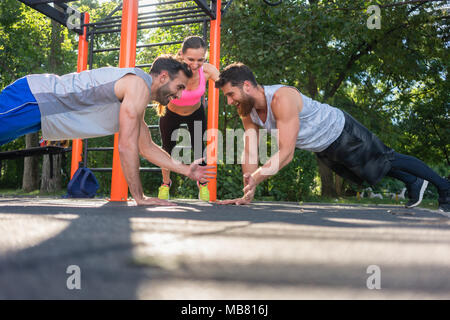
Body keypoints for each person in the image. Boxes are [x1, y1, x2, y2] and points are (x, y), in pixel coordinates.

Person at [214, 63, 449, 213]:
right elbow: (250, 150)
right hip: (324, 147)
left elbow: (286, 152)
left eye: (231, 94)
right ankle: (414, 182)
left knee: (389, 158)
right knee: (373, 170)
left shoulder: (281, 98)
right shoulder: (247, 110)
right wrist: (249, 190)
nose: (230, 101)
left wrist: (256, 176)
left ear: (246, 85)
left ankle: (445, 188)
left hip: (341, 130)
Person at [0, 55, 215, 206]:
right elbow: (126, 145)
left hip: (42, 114)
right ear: (164, 77)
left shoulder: (137, 96)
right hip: (35, 97)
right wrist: (139, 196)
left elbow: (147, 147)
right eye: (179, 87)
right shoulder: (138, 84)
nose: (179, 96)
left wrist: (187, 170)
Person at [155, 36, 220, 202]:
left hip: (195, 112)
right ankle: (165, 184)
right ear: (181, 55)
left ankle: (202, 183)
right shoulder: (172, 72)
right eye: (190, 59)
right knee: (167, 150)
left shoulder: (207, 71)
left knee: (200, 149)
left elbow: (227, 84)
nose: (195, 64)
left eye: (201, 59)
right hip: (171, 113)